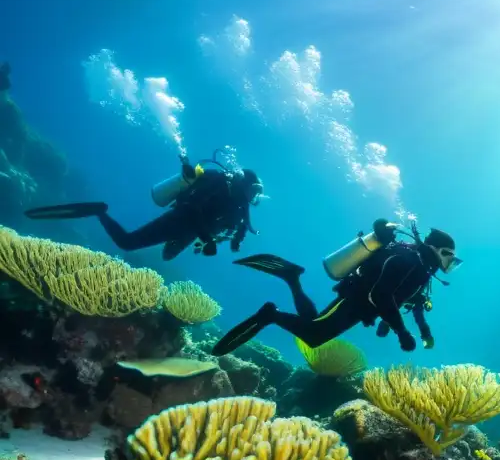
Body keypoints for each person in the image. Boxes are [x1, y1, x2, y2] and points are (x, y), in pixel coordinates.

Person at [211, 219, 460, 356]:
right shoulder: (410, 261)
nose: (450, 264)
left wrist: (392, 325)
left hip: (360, 306)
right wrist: (401, 332)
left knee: (314, 323)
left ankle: (292, 278)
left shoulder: (420, 268)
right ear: (441, 250)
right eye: (451, 258)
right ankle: (269, 315)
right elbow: (381, 294)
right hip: (355, 300)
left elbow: (400, 297)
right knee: (314, 334)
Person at [24, 151, 263, 260]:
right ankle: (99, 212)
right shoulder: (218, 182)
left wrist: (237, 241)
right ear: (243, 182)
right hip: (181, 220)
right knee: (127, 243)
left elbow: (242, 224)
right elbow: (193, 207)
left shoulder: (240, 204)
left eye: (257, 193)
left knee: (168, 257)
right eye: (253, 190)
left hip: (192, 231)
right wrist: (208, 240)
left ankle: (173, 244)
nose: (254, 196)